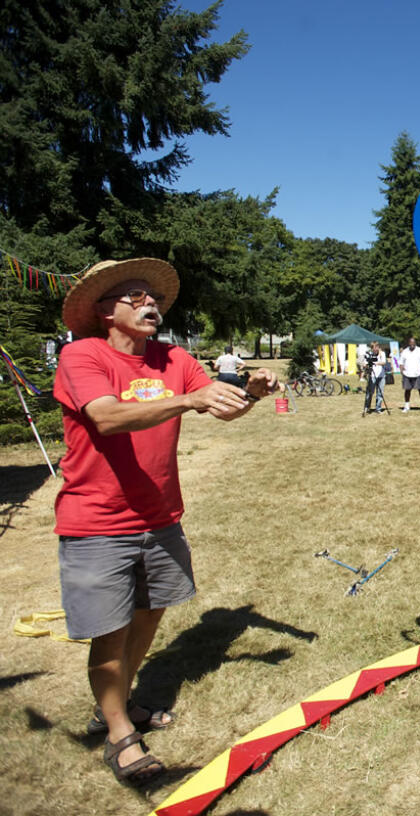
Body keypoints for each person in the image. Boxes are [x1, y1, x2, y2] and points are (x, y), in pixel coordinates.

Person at [54, 258, 279, 786]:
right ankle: (118, 734)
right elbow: (106, 416)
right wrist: (189, 398)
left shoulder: (172, 357)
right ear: (104, 311)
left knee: (151, 612)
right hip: (97, 521)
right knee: (109, 634)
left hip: (159, 517)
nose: (150, 302)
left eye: (151, 296)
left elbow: (220, 407)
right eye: (135, 297)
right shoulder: (81, 355)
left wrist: (252, 392)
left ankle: (116, 703)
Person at [398, 336, 420, 413]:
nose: (412, 344)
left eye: (413, 342)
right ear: (408, 343)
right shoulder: (405, 351)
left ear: (415, 343)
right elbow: (401, 362)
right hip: (407, 374)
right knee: (407, 390)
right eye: (410, 342)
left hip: (418, 374)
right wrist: (402, 370)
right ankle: (407, 406)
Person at [362, 341, 387, 415]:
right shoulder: (369, 354)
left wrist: (375, 363)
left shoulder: (382, 354)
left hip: (381, 376)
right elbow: (364, 363)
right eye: (373, 348)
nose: (375, 349)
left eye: (376, 347)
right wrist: (366, 365)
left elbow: (384, 362)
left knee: (380, 393)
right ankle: (367, 407)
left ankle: (378, 408)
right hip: (372, 375)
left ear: (378, 347)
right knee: (370, 392)